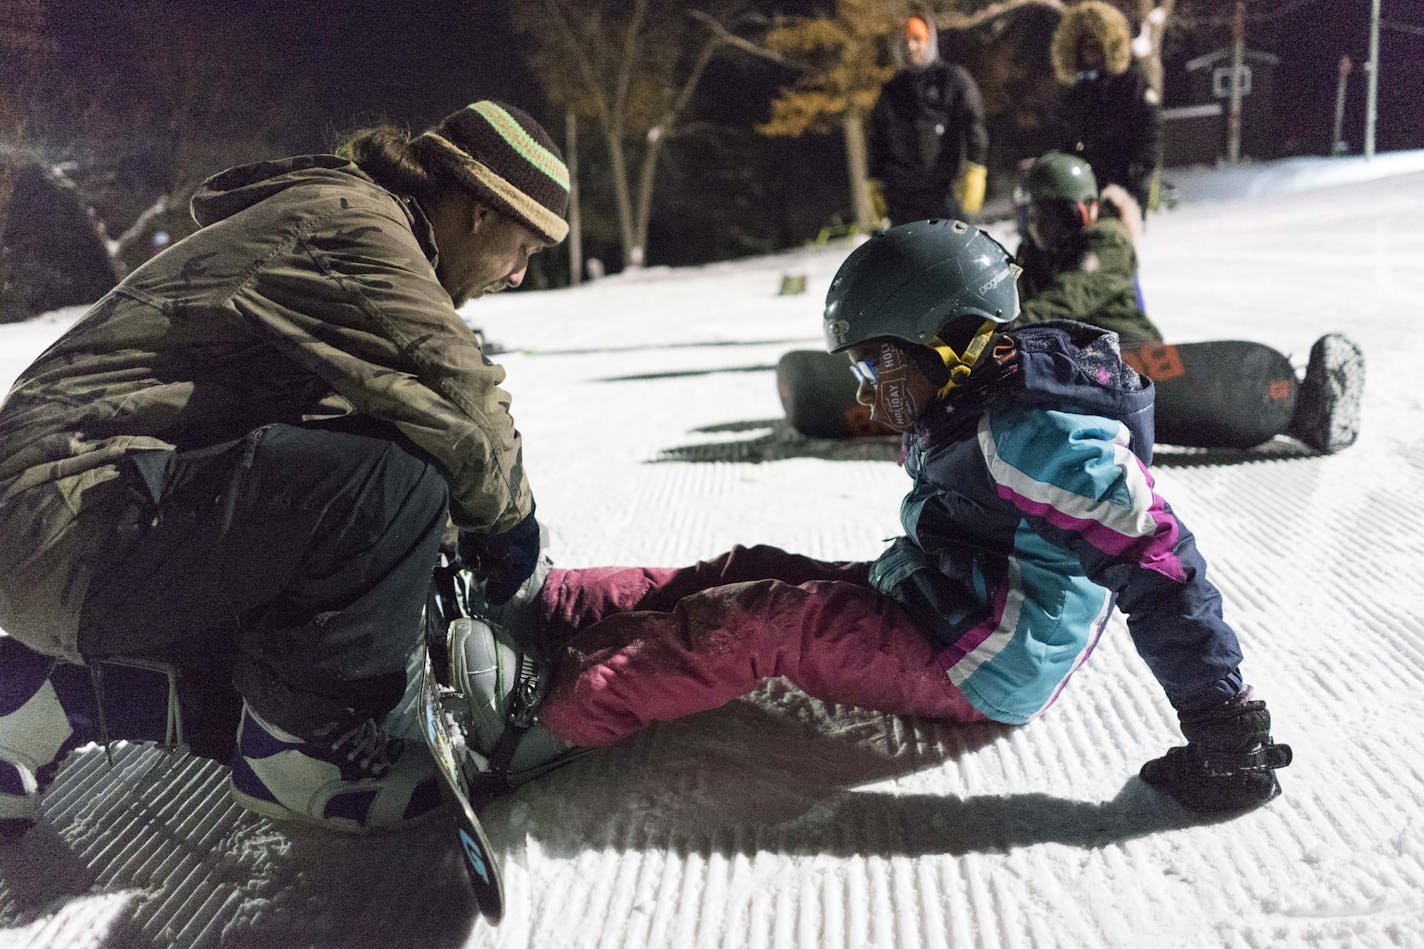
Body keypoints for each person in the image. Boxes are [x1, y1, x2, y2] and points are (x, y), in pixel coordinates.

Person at [447, 220, 1293, 814]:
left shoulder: (1036, 434)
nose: (867, 392)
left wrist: (1224, 720)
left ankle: (544, 714)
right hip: (943, 596)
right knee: (752, 564)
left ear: (951, 339)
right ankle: (554, 605)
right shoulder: (976, 390)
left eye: (877, 366)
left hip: (981, 658)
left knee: (764, 621)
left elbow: (1157, 558)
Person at [0, 100, 569, 835]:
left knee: (278, 664)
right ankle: (307, 757)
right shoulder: (353, 227)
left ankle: (33, 697)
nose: (519, 274)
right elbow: (456, 398)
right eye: (523, 247)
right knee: (395, 481)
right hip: (70, 513)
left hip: (63, 519)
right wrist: (517, 540)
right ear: (478, 212)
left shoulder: (342, 218)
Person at [1009, 150, 1365, 453]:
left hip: (1127, 350)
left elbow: (1066, 300)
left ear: (1083, 213)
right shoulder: (1032, 255)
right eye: (1036, 219)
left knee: (1112, 385)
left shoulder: (1107, 242)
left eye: (1053, 219)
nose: (1043, 230)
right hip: (1074, 356)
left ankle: (1304, 407)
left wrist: (1010, 327)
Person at [868, 10, 989, 226]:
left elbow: (974, 125)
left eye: (917, 39)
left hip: (944, 193)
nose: (911, 47)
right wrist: (874, 181)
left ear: (930, 41)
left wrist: (975, 168)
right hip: (902, 201)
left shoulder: (952, 80)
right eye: (906, 41)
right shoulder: (892, 90)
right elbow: (877, 139)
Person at [1049, 1, 1161, 215]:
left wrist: (1139, 172)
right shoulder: (1073, 90)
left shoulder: (1132, 83)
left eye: (1096, 43)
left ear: (1108, 45)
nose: (1090, 51)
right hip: (1080, 189)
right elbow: (1061, 134)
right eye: (1084, 44)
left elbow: (1150, 130)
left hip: (1122, 185)